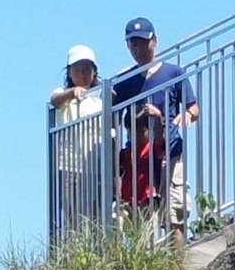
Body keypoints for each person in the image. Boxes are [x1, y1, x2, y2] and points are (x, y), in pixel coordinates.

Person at [105, 15, 199, 238]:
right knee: (140, 216)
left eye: (142, 42)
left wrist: (185, 116)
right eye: (133, 43)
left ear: (154, 41)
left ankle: (178, 269)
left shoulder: (173, 73)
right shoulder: (126, 79)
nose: (137, 49)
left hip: (170, 151)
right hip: (139, 157)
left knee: (174, 214)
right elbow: (109, 109)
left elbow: (194, 109)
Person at [47, 46, 107, 246]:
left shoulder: (99, 101)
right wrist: (72, 92)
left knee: (98, 216)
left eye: (87, 69)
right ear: (69, 73)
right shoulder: (63, 96)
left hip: (95, 168)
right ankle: (75, 256)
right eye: (77, 69)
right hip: (71, 168)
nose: (82, 74)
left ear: (94, 73)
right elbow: (54, 100)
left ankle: (97, 256)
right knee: (74, 216)